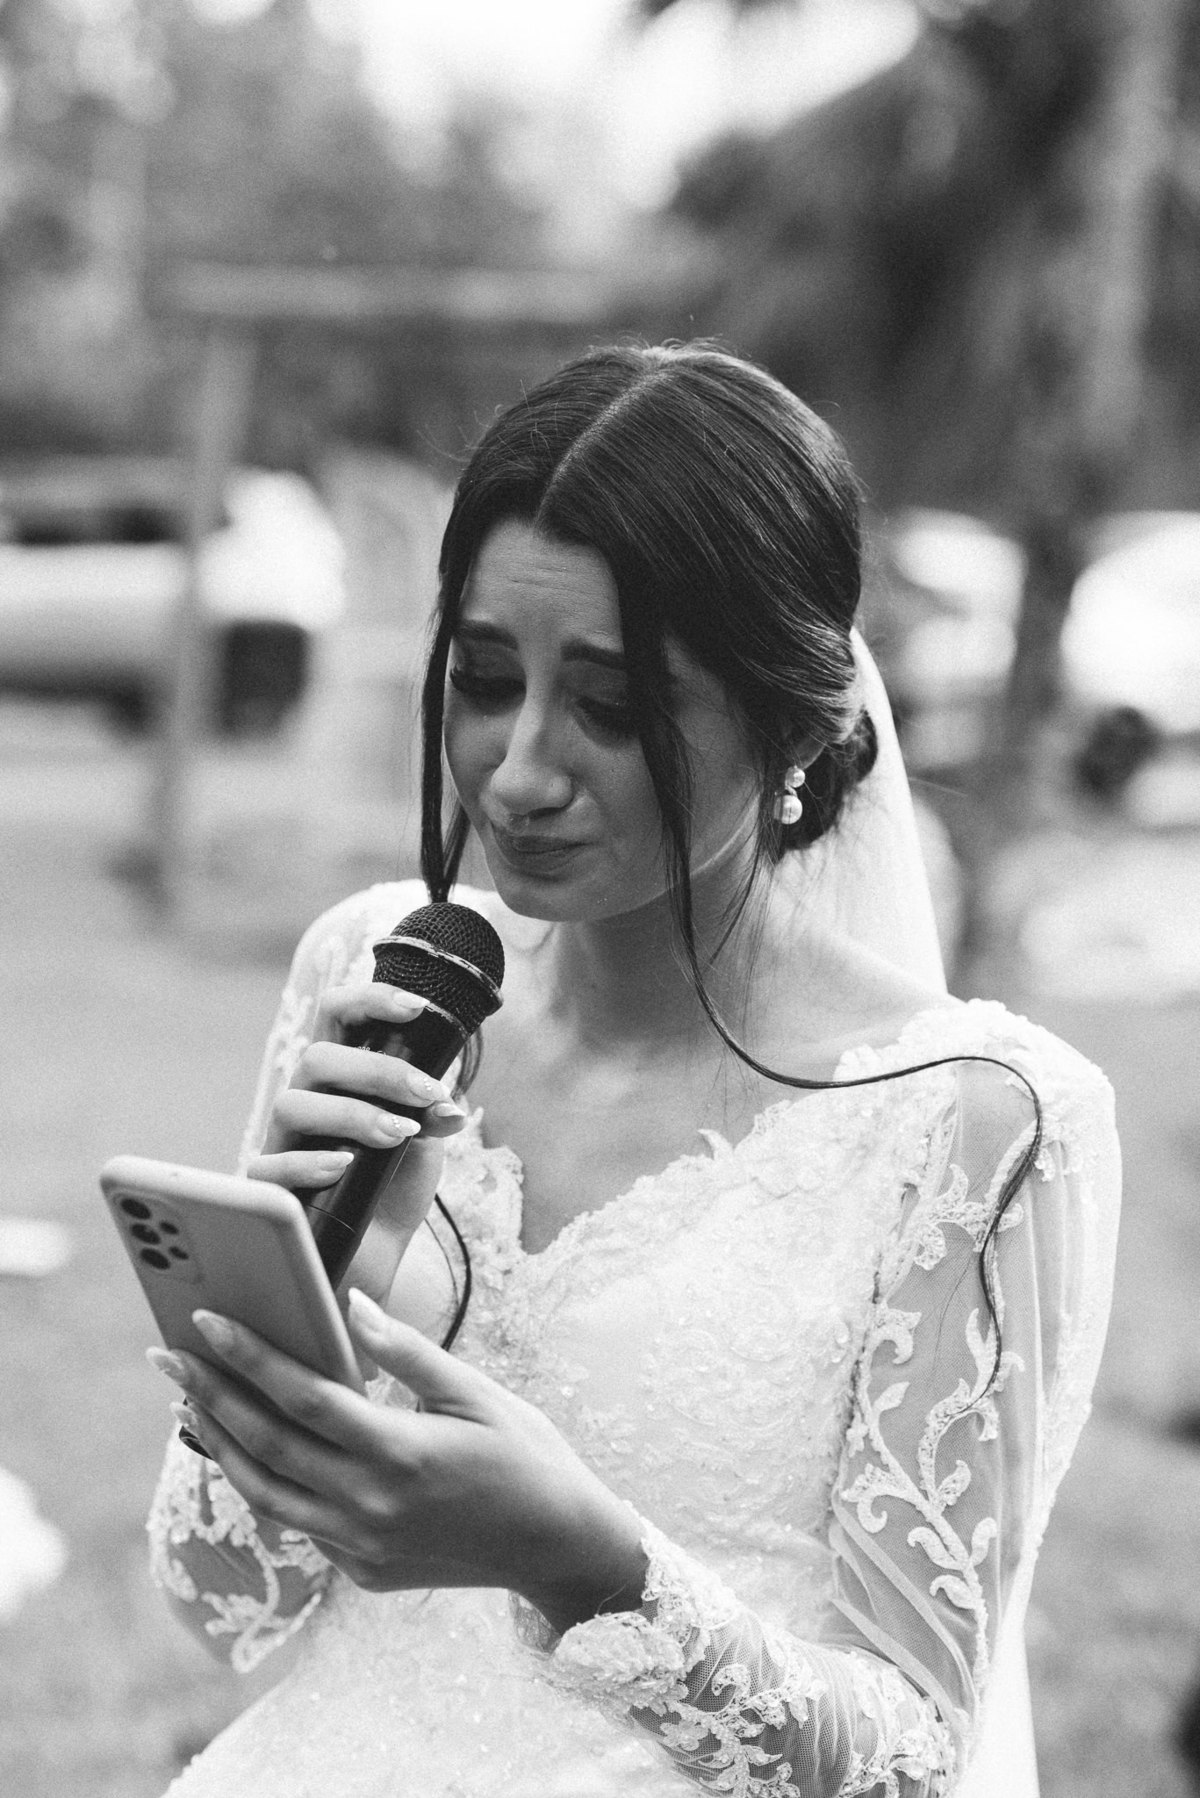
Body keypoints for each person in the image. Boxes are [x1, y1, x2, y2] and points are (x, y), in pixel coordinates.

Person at [145, 343, 1120, 1798]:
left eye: (610, 705)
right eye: (485, 679)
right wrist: (317, 1296)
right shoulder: (377, 974)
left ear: (794, 722)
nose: (520, 767)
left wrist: (584, 1558)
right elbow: (221, 1590)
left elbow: (914, 1766)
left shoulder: (977, 1117)